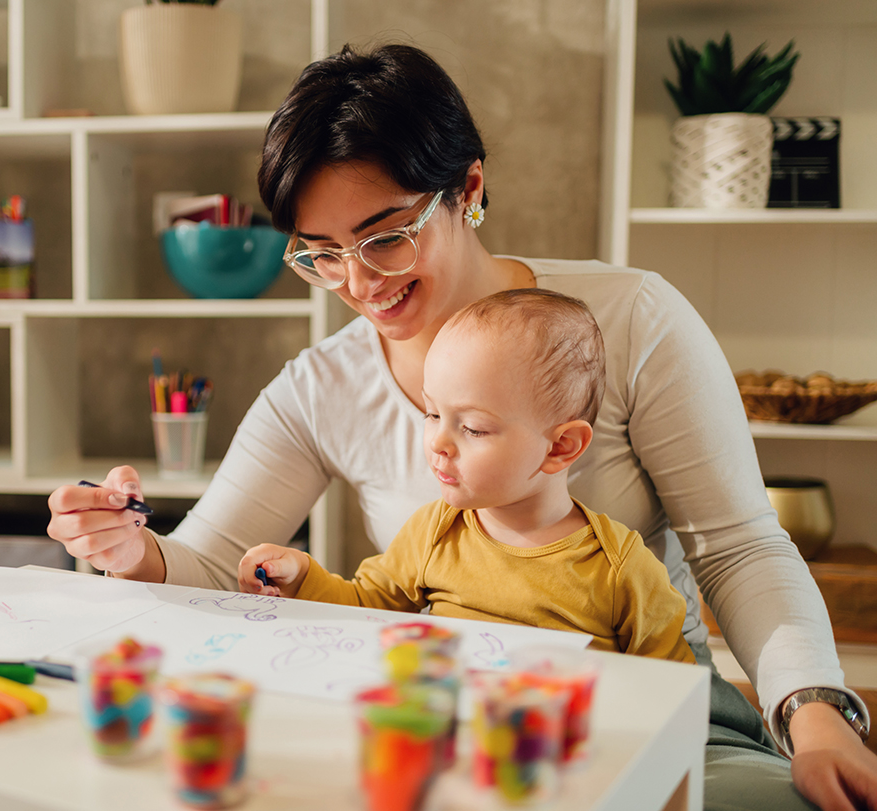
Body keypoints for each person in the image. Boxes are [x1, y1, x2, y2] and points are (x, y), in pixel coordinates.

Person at [48, 43, 875, 811]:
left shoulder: (629, 321)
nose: (359, 283)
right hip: (447, 726)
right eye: (322, 252)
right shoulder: (321, 384)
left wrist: (814, 710)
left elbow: (739, 546)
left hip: (648, 708)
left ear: (468, 190)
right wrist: (133, 552)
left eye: (387, 238)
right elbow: (215, 559)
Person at [237, 288, 696, 665]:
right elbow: (364, 608)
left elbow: (670, 694)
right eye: (432, 413)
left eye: (472, 427)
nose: (438, 441)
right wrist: (300, 577)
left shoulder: (620, 570)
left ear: (561, 447)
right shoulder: (435, 533)